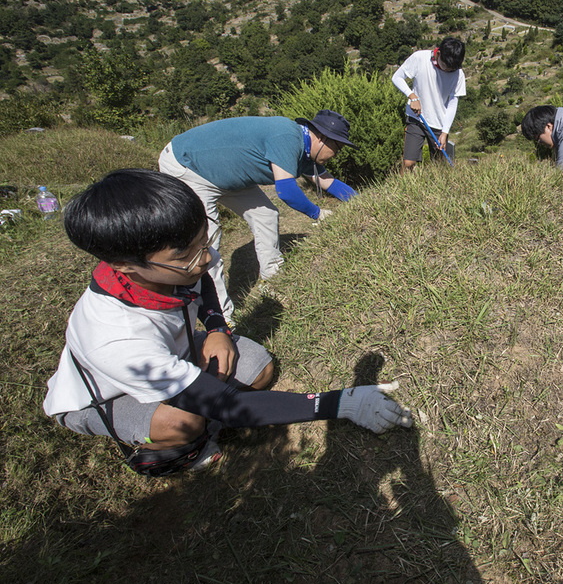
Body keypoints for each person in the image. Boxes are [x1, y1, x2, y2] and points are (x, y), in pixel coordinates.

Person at [43, 169, 412, 474]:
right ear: (124, 265)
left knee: (258, 369)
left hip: (177, 350)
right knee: (184, 424)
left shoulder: (179, 263)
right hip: (103, 396)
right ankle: (172, 453)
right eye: (187, 255)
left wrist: (217, 327)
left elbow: (199, 276)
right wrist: (341, 403)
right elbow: (231, 406)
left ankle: (202, 412)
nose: (205, 259)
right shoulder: (116, 340)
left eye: (205, 241)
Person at [158, 110, 359, 323]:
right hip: (189, 166)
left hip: (223, 173)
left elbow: (328, 182)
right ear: (322, 138)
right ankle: (222, 318)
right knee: (207, 247)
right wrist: (318, 213)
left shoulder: (306, 150)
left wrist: (361, 203)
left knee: (266, 214)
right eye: (337, 148)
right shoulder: (288, 137)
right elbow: (286, 191)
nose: (336, 154)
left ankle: (273, 278)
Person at [391, 37, 466, 173]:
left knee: (439, 168)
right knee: (408, 163)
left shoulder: (458, 74)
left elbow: (453, 103)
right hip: (416, 118)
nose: (448, 71)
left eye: (452, 69)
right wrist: (412, 96)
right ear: (438, 54)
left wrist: (445, 132)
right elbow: (396, 77)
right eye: (446, 66)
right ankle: (399, 190)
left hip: (439, 124)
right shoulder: (420, 58)